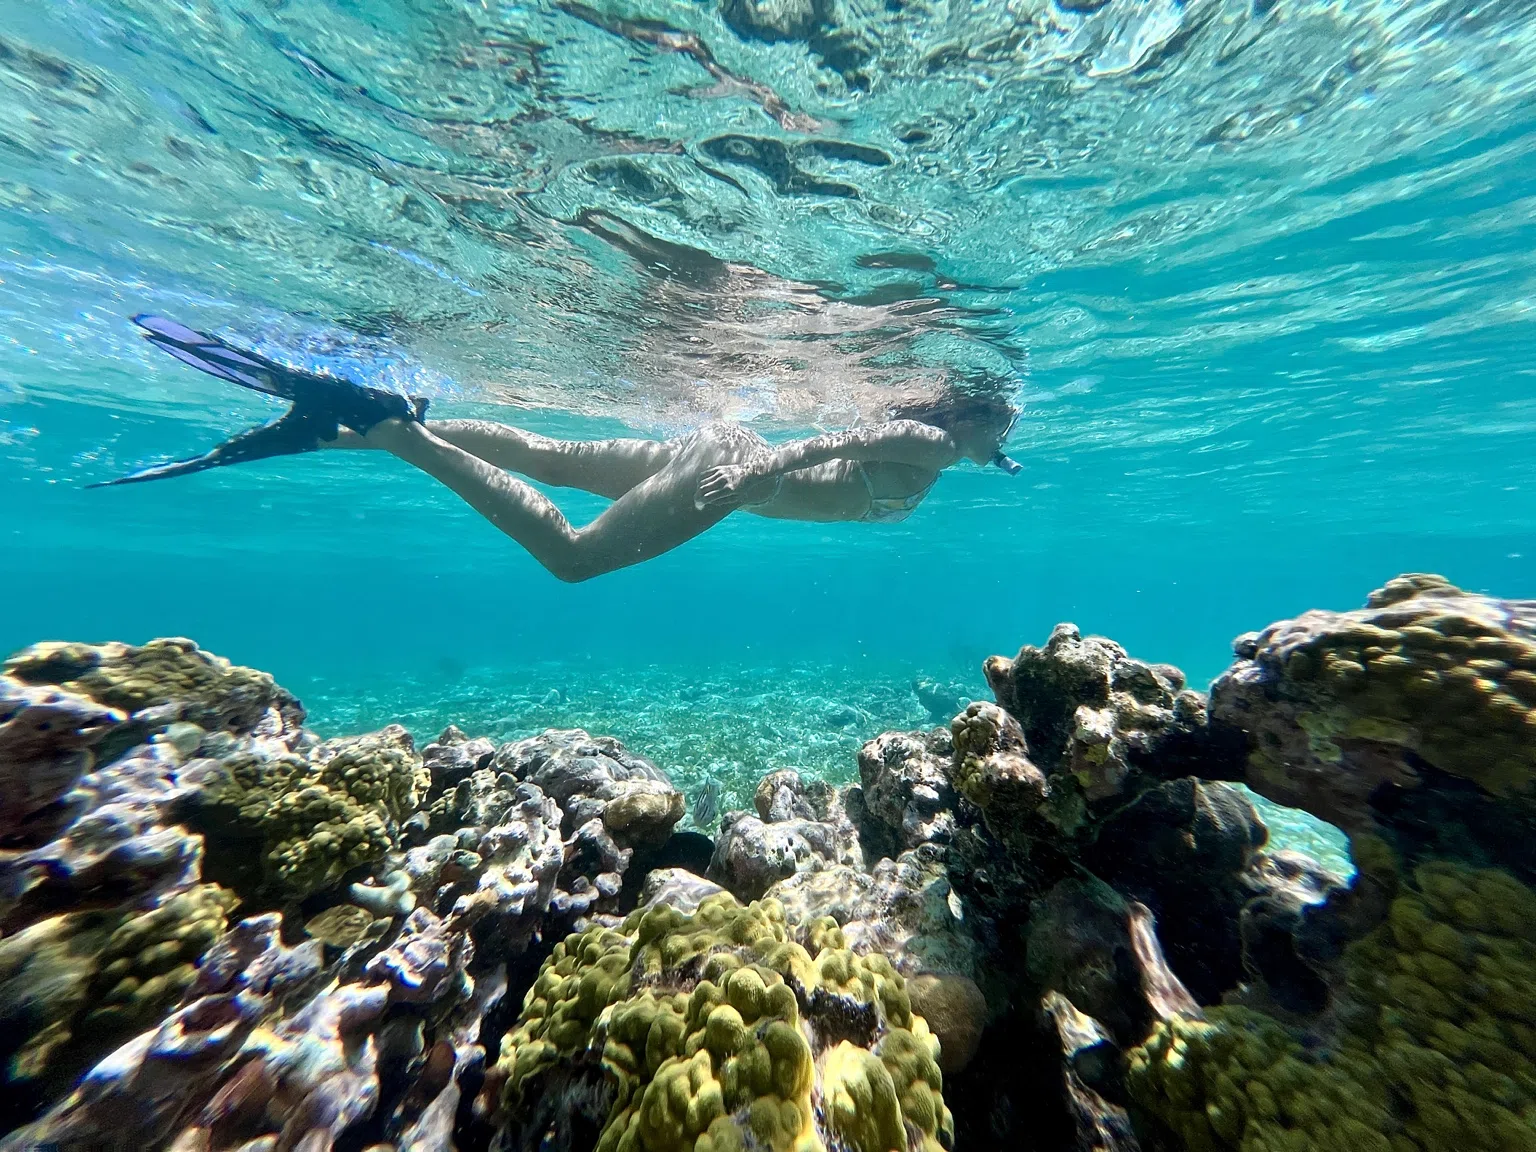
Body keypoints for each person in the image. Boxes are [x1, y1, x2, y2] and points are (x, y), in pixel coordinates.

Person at [94, 315, 1023, 582]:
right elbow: (842, 437)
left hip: (720, 453)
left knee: (545, 454)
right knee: (572, 559)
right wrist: (764, 470)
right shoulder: (931, 444)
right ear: (968, 414)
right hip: (732, 472)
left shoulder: (957, 452)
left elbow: (853, 446)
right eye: (1004, 426)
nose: (1007, 441)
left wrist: (754, 462)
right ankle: (391, 431)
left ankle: (343, 433)